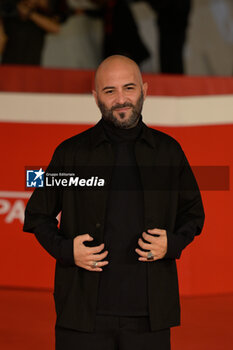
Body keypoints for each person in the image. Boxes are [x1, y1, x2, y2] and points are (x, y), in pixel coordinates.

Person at [23, 55, 205, 350]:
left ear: (144, 89)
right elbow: (37, 215)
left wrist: (172, 244)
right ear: (96, 98)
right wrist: (66, 250)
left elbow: (194, 214)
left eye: (129, 88)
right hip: (82, 314)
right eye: (110, 91)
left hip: (149, 316)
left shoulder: (169, 152)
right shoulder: (70, 153)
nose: (121, 99)